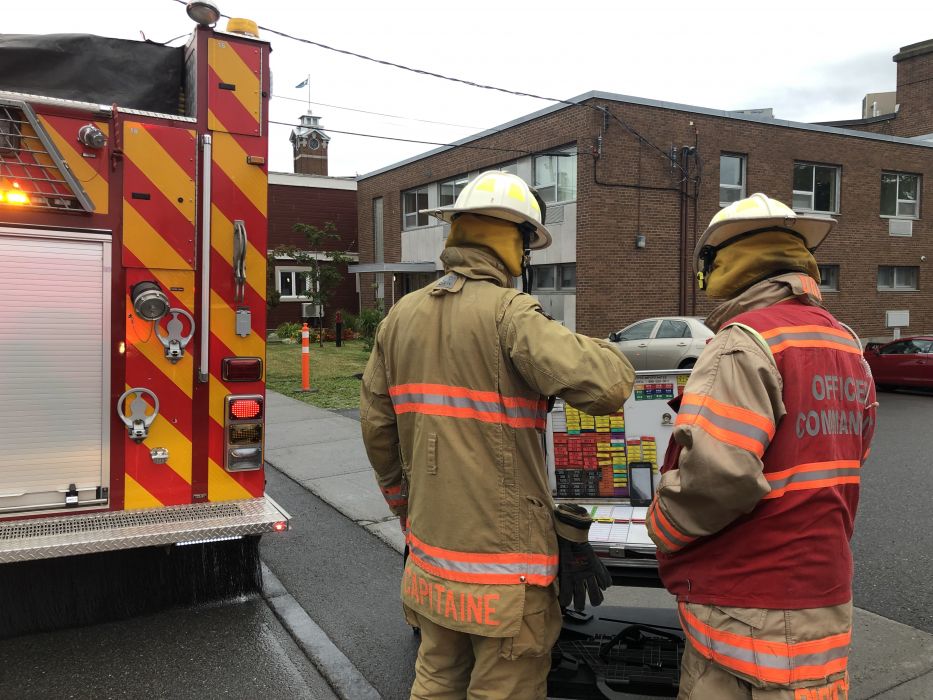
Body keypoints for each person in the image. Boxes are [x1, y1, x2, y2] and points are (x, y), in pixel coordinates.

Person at [360, 170, 635, 699]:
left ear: (457, 231)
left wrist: (405, 507)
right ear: (517, 244)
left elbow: (377, 431)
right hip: (507, 579)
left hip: (433, 563)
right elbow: (609, 387)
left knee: (435, 680)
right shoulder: (512, 314)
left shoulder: (399, 318)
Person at [646, 193, 877, 700]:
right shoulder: (845, 344)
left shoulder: (743, 343)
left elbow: (718, 475)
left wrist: (661, 527)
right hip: (821, 593)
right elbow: (851, 451)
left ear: (723, 262)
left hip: (746, 601)